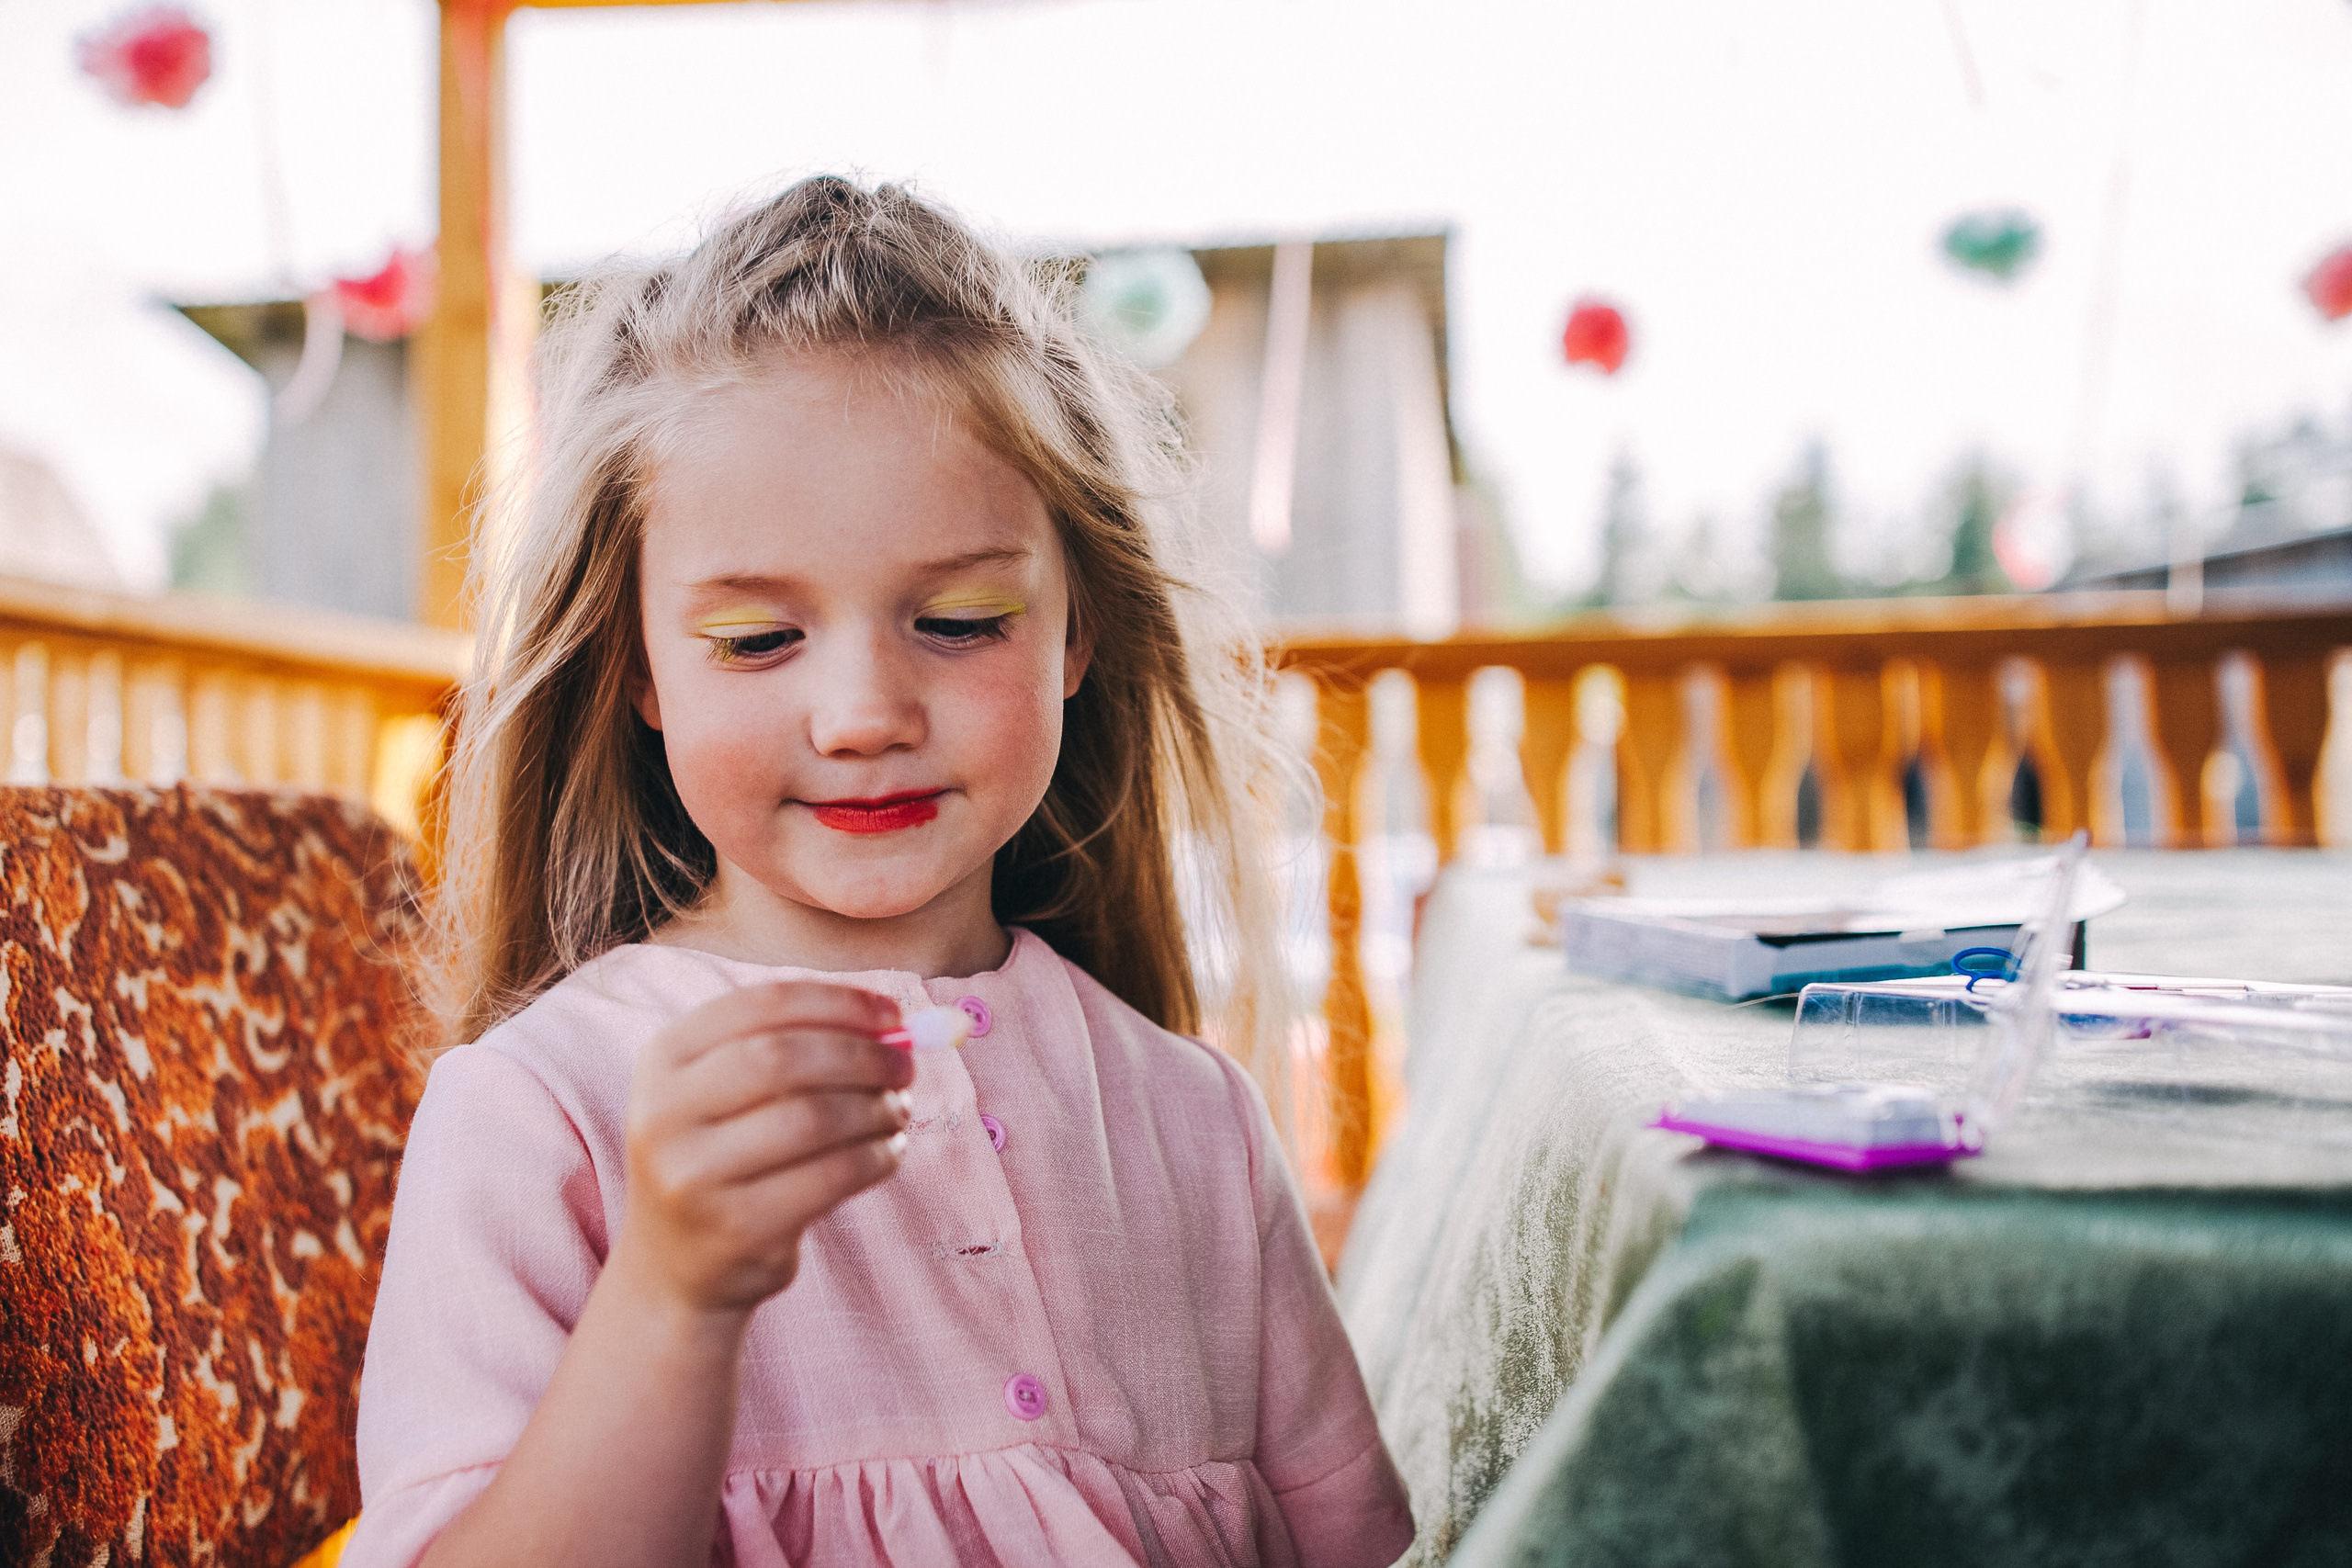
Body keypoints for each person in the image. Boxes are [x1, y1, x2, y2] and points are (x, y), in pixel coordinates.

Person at [343, 175, 1415, 1568]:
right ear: (638, 670)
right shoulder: (541, 1113)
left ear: (1076, 635)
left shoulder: (1193, 1115)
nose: (864, 713)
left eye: (960, 620)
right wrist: (670, 1297)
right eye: (755, 640)